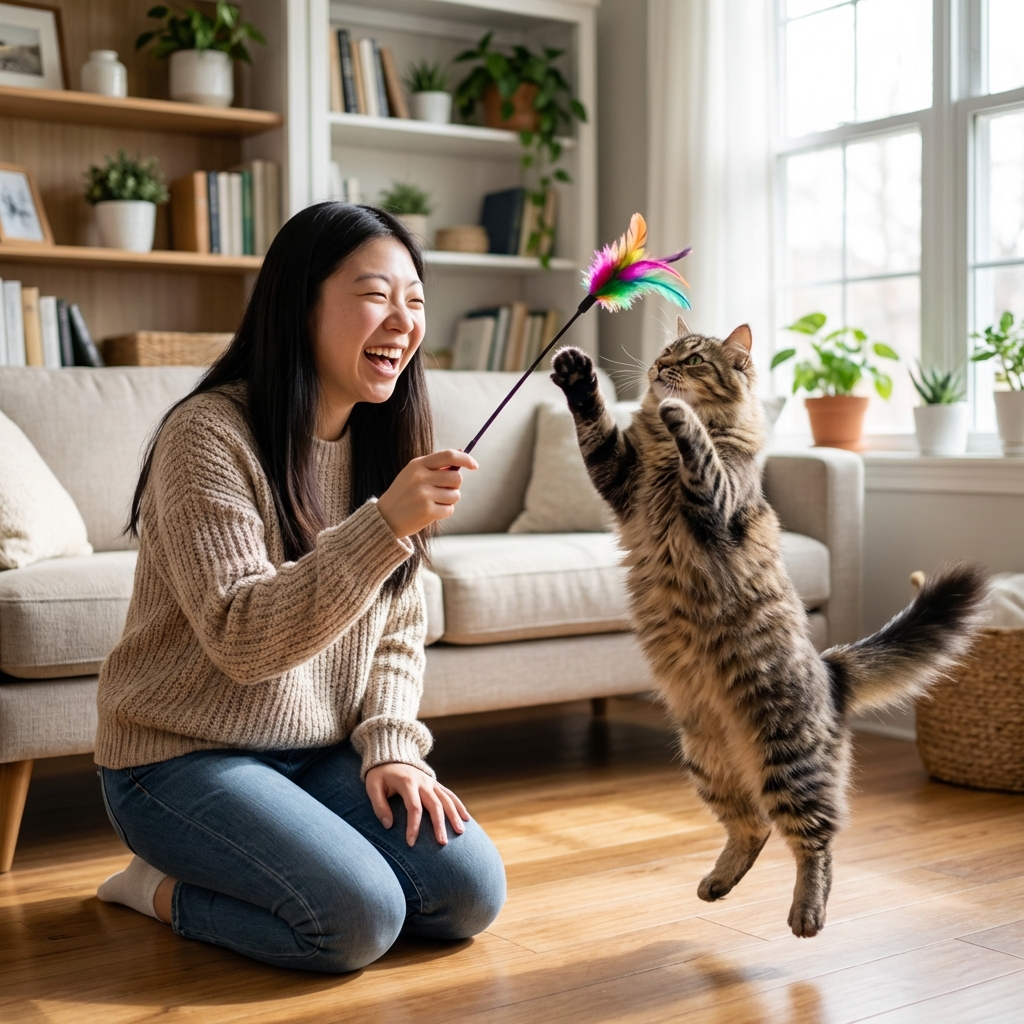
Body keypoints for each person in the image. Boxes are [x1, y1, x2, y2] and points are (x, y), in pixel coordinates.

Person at [94, 202, 506, 973]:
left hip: (317, 750)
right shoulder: (208, 436)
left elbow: (399, 627)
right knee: (357, 920)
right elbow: (244, 640)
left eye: (415, 300)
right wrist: (381, 526)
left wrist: (390, 747)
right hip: (179, 758)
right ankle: (154, 887)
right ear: (301, 301)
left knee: (467, 895)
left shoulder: (387, 443)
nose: (402, 320)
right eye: (376, 294)